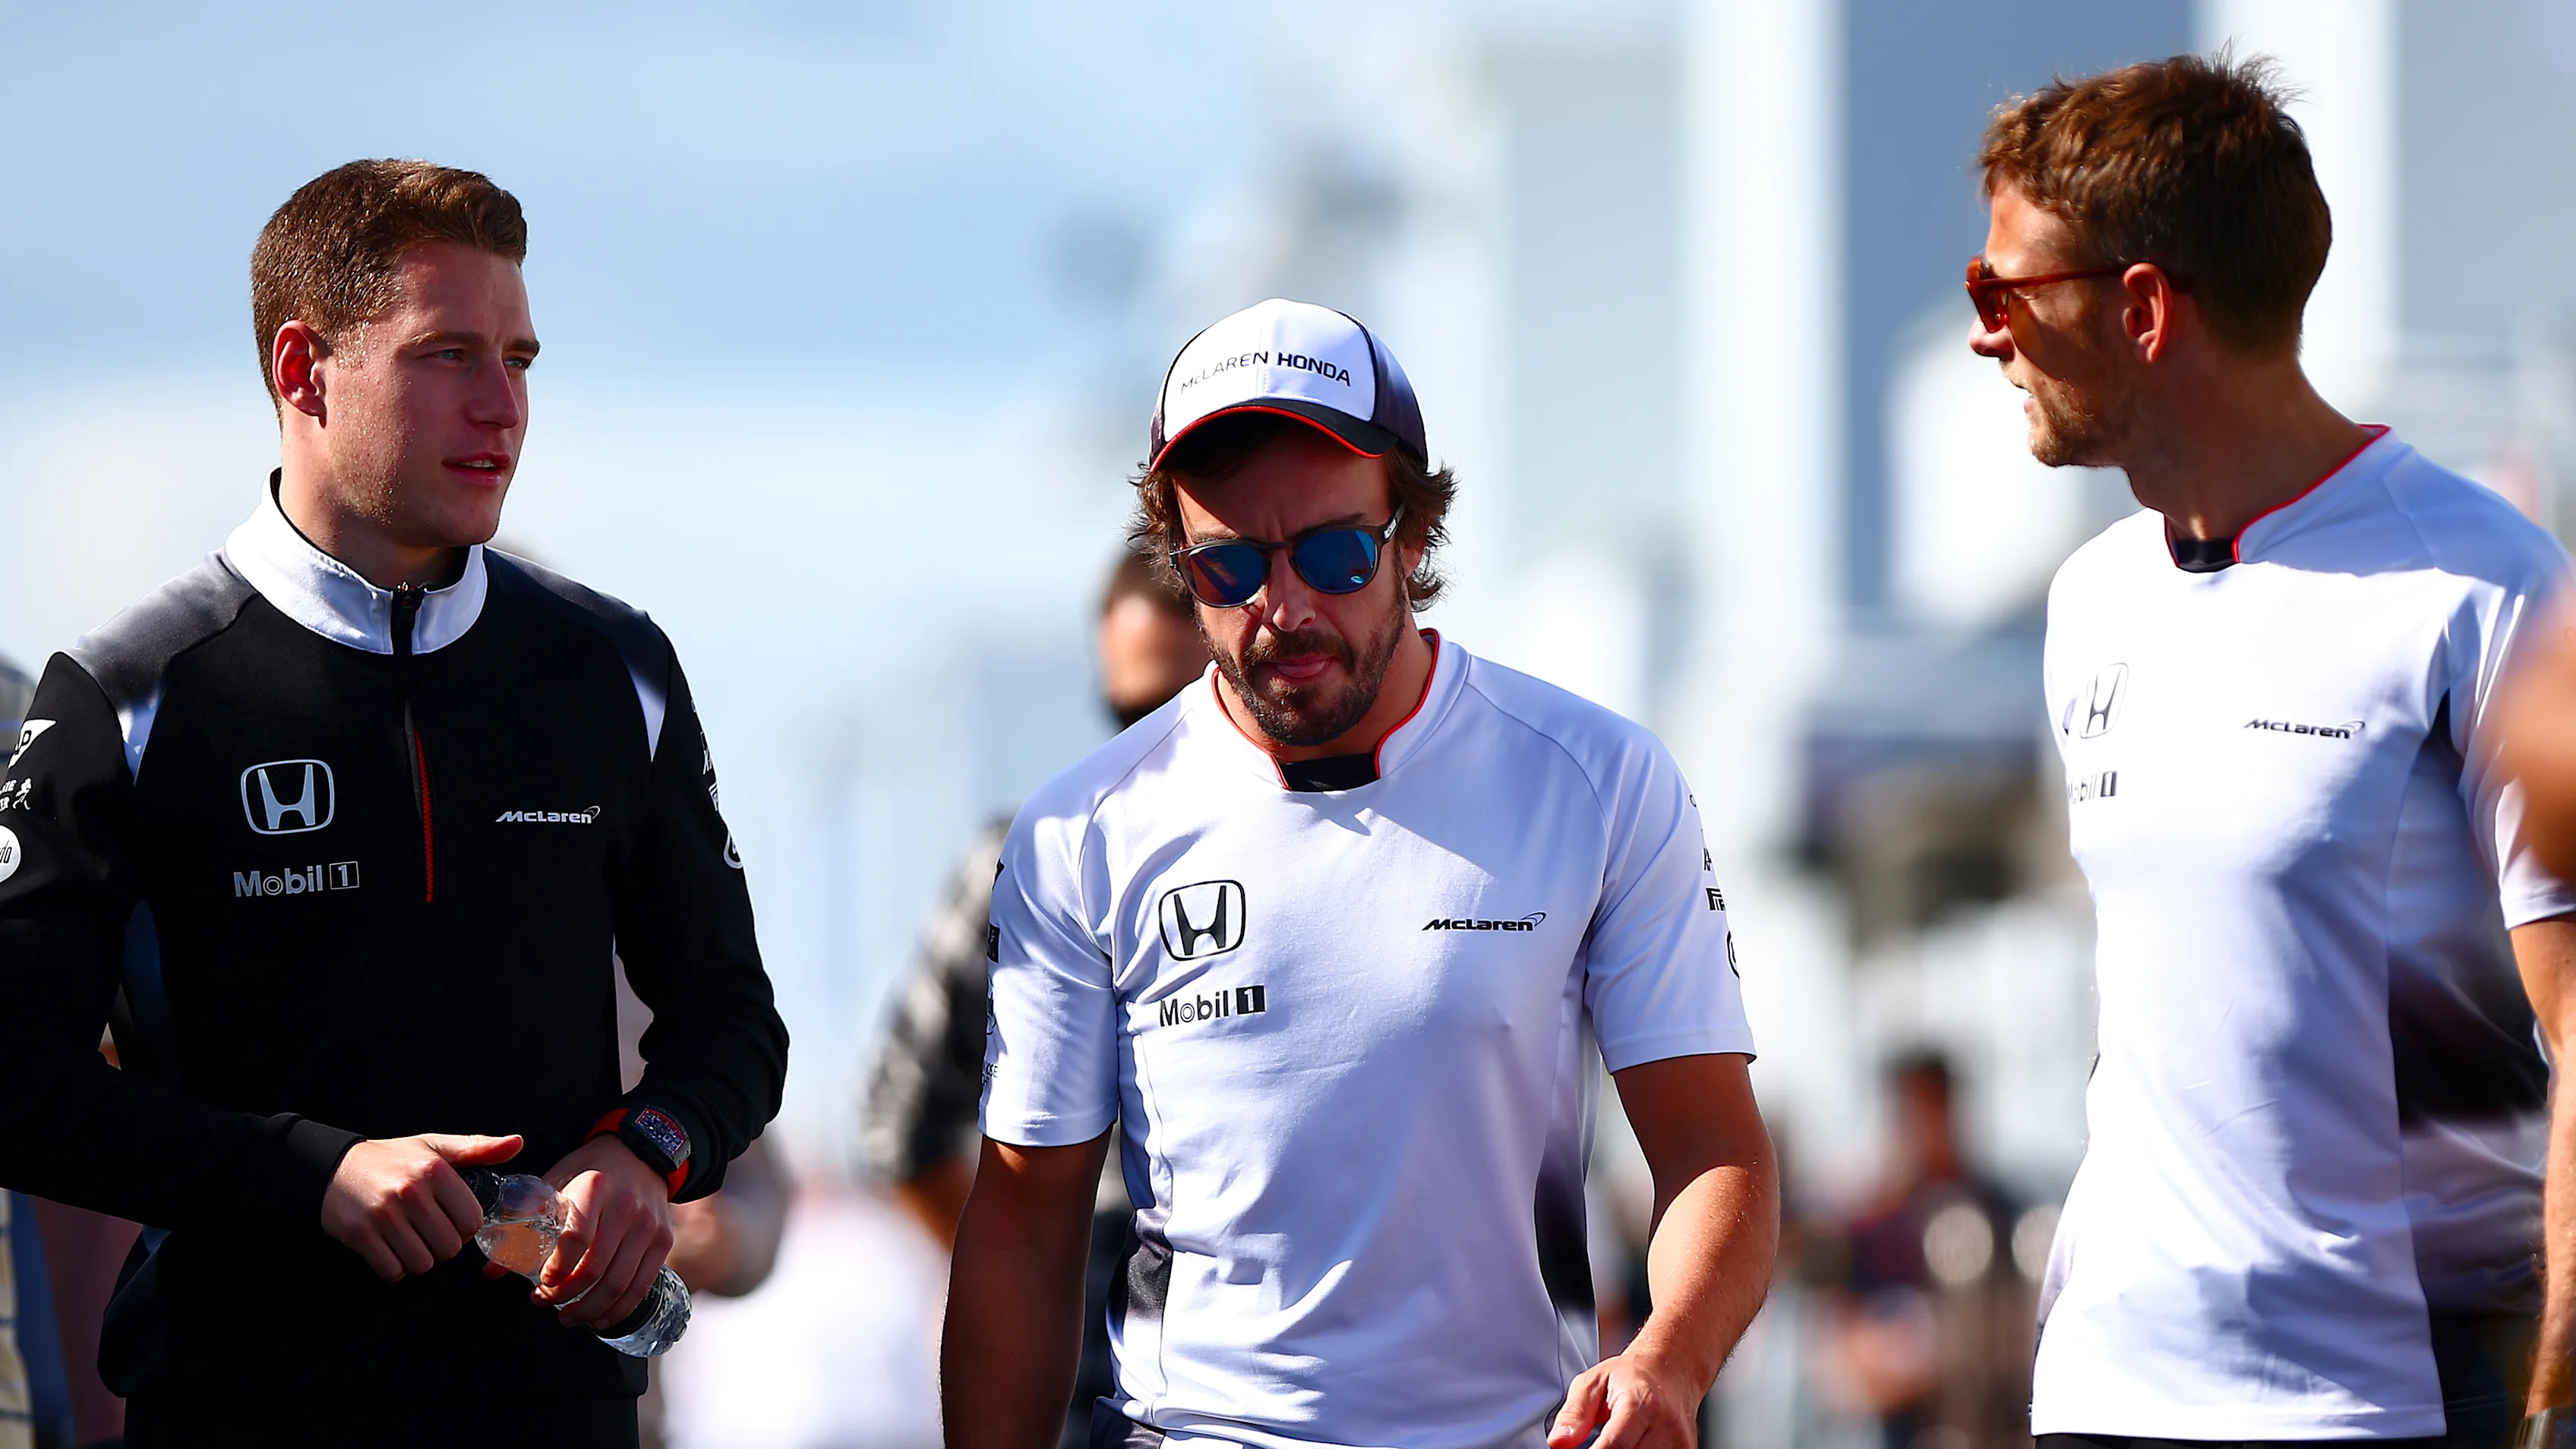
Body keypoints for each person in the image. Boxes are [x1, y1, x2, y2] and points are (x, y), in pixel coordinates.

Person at [0, 160, 788, 1446]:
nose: (502, 406)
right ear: (303, 371)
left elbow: (732, 1019)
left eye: (519, 359)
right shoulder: (130, 690)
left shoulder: (614, 668)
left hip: (553, 1411)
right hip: (240, 1402)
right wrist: (307, 1172)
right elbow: (14, 1075)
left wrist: (646, 1152)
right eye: (448, 355)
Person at [943, 298, 1778, 1449]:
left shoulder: (1595, 779)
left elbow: (1712, 1149)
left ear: (1413, 536)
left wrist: (1669, 1362)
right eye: (1229, 566)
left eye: (1336, 554)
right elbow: (1021, 1226)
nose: (1283, 610)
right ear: (1178, 565)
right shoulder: (1080, 829)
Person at [1968, 55, 2576, 1447]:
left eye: (2005, 292)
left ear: (2140, 308)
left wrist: (2556, 1395)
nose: (1988, 338)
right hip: (2104, 1394)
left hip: (2387, 1404)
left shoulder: (2486, 588)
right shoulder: (2090, 600)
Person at [861, 546, 1208, 1449]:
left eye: (1189, 706)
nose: (1155, 745)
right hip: (1098, 1400)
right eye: (1128, 714)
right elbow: (898, 1123)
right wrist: (1027, 1266)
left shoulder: (1356, 847)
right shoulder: (1034, 861)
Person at [1820, 1051, 2025, 1449]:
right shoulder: (1872, 1227)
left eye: (1934, 1108)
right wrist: (1910, 1353)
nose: (1923, 1128)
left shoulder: (2002, 1214)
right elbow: (1841, 1361)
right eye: (1910, 1111)